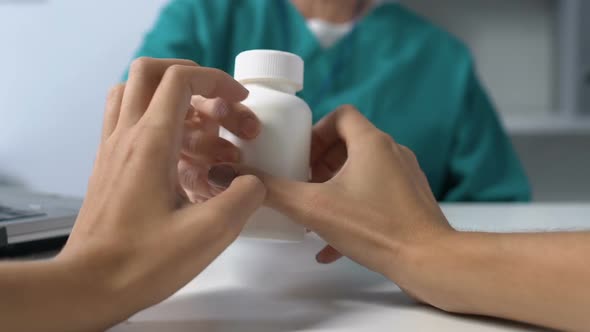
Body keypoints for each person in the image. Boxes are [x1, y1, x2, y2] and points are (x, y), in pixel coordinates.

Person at [0, 59, 588, 331]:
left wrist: (431, 250)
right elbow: (147, 135)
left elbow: (499, 192)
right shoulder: (205, 12)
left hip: (341, 280)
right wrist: (183, 172)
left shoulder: (437, 53)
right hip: (238, 279)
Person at [129, 0, 531, 203]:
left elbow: (500, 204)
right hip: (214, 264)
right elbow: (128, 133)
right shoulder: (204, 14)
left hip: (378, 286)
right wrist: (177, 152)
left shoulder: (441, 59)